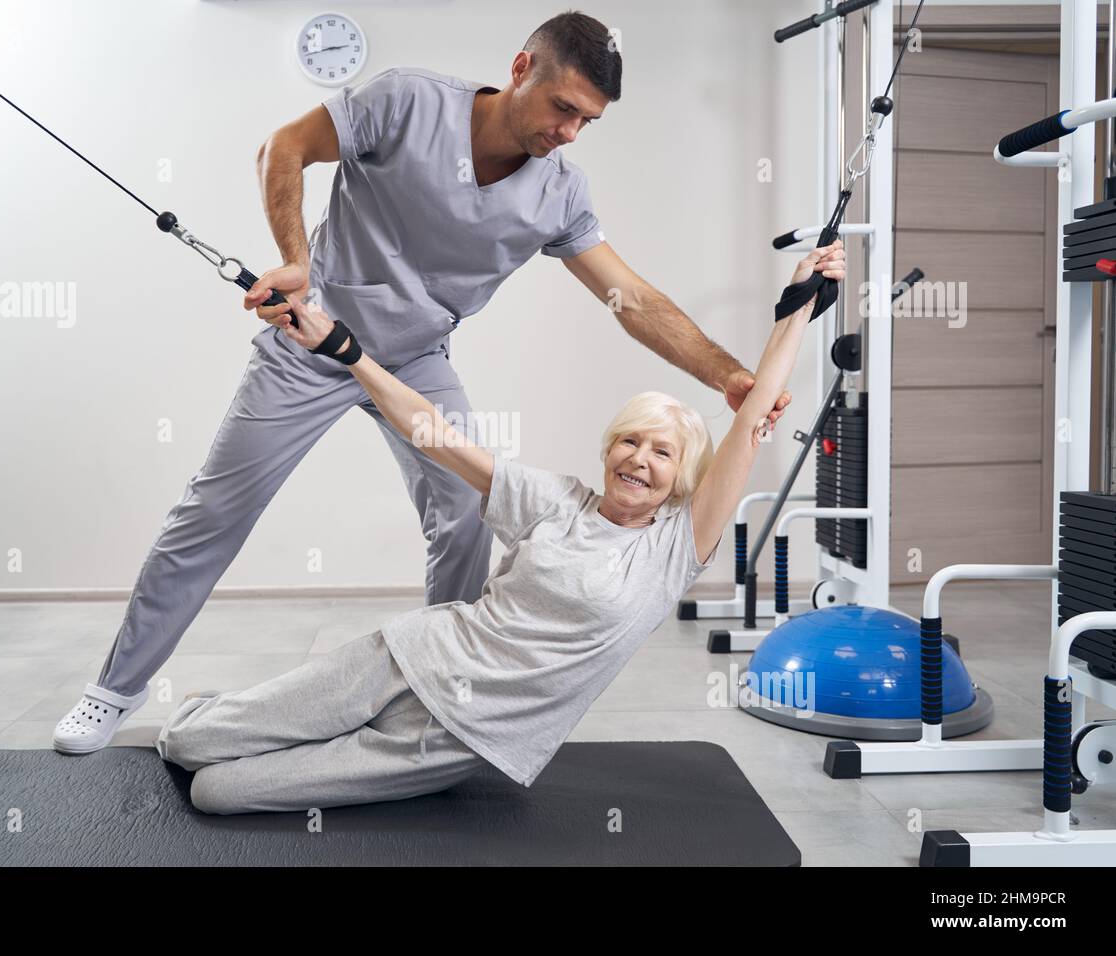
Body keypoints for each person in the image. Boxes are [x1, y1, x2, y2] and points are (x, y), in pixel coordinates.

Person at [53, 10, 791, 754]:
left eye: (587, 121)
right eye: (564, 108)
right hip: (314, 340)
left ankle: (442, 688)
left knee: (468, 512)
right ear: (520, 69)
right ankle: (114, 689)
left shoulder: (561, 192)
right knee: (216, 509)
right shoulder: (407, 101)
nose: (569, 132)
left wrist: (727, 373)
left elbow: (630, 298)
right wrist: (294, 258)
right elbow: (285, 147)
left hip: (416, 361)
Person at [151, 241, 846, 814]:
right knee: (185, 746)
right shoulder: (556, 502)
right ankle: (226, 714)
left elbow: (752, 423)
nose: (640, 459)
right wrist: (344, 348)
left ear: (684, 478)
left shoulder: (672, 550)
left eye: (662, 452)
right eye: (630, 441)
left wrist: (798, 308)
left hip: (455, 741)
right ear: (608, 449)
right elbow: (435, 435)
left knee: (218, 792)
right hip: (408, 658)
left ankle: (248, 720)